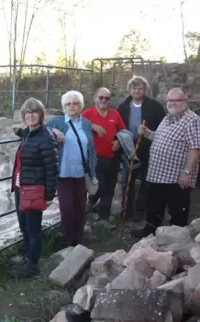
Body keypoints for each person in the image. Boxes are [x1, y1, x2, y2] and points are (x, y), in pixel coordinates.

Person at [131, 88, 200, 238]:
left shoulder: (192, 120)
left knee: (177, 211)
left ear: (185, 101)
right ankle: (150, 233)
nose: (173, 103)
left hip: (176, 178)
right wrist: (147, 133)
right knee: (154, 207)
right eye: (170, 100)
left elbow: (196, 148)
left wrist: (186, 173)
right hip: (157, 174)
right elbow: (160, 138)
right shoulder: (167, 118)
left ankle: (175, 239)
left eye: (177, 100)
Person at [10, 98, 59, 278]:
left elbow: (52, 169)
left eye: (34, 112)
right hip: (20, 188)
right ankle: (28, 257)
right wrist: (20, 132)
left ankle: (32, 265)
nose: (31, 115)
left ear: (41, 114)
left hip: (34, 190)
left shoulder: (46, 137)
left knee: (33, 228)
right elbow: (28, 138)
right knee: (24, 226)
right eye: (28, 112)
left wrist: (48, 196)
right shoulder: (28, 134)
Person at [46, 90, 97, 247]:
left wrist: (93, 171)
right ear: (64, 106)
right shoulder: (57, 121)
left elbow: (91, 149)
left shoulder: (86, 124)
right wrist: (53, 130)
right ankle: (68, 241)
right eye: (68, 104)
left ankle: (79, 239)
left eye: (75, 103)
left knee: (80, 208)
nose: (72, 106)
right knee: (66, 209)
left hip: (81, 173)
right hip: (63, 173)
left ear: (80, 105)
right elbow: (40, 131)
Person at [117, 76, 166, 221]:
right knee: (127, 180)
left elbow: (163, 126)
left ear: (144, 90)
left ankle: (140, 210)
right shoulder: (124, 106)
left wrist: (149, 133)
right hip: (129, 150)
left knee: (146, 181)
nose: (137, 91)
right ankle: (126, 209)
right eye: (134, 88)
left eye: (140, 88)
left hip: (148, 149)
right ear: (130, 90)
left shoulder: (155, 106)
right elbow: (117, 126)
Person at [82, 87, 126, 224]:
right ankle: (91, 201)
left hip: (113, 157)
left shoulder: (115, 114)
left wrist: (119, 140)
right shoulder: (87, 114)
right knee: (99, 187)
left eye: (106, 98)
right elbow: (75, 127)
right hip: (94, 159)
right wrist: (92, 126)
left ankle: (103, 219)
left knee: (110, 188)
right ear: (95, 98)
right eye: (101, 97)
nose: (103, 100)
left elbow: (123, 131)